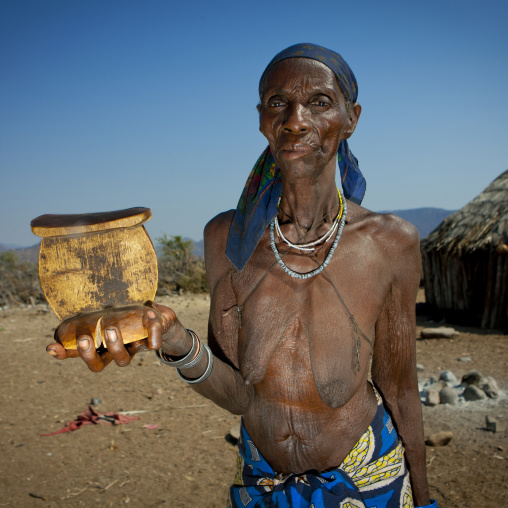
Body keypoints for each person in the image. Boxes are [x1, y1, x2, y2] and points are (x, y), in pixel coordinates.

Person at [46, 43, 436, 508]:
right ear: (261, 118)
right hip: (261, 484)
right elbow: (238, 396)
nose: (295, 119)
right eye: (278, 103)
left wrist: (426, 501)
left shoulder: (389, 242)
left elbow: (400, 390)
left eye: (319, 102)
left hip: (366, 479)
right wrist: (173, 340)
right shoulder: (226, 239)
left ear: (351, 117)